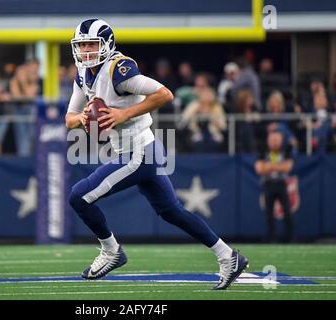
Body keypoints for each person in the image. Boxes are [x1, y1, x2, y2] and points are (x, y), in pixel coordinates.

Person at [65, 18, 248, 290]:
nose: (87, 51)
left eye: (92, 44)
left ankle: (111, 251)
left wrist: (122, 113)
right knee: (172, 211)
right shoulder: (83, 73)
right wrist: (85, 118)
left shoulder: (119, 69)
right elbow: (69, 119)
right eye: (82, 46)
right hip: (140, 151)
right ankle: (228, 256)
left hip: (138, 151)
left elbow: (164, 94)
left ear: (107, 43)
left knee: (78, 196)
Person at [255, 131, 294, 243]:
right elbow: (259, 169)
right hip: (268, 184)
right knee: (268, 213)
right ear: (268, 141)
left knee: (287, 211)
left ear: (281, 141)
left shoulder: (286, 150)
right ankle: (271, 238)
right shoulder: (263, 150)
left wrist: (269, 166)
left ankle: (290, 237)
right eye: (272, 140)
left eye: (276, 140)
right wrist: (278, 166)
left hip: (281, 184)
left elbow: (287, 167)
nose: (274, 143)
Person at [180, 87, 226, 153]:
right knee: (196, 141)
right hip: (196, 133)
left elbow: (223, 125)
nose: (206, 97)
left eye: (208, 94)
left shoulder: (217, 107)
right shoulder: (194, 106)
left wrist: (215, 121)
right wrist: (195, 113)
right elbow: (184, 120)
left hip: (214, 134)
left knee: (217, 141)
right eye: (204, 94)